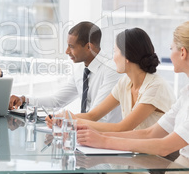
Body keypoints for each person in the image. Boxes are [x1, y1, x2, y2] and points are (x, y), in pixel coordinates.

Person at [77, 21, 189, 169]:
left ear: (182, 53)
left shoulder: (156, 86)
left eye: (171, 48)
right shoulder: (185, 94)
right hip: (156, 161)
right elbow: (149, 133)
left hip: (163, 162)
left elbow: (164, 146)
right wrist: (99, 136)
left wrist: (102, 139)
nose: (169, 53)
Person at [46, 28, 175, 132]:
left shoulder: (155, 87)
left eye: (115, 52)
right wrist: (63, 118)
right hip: (137, 153)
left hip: (162, 158)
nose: (113, 58)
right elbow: (92, 116)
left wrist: (72, 122)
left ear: (127, 57)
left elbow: (122, 128)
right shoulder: (125, 83)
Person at [9, 21, 122, 123]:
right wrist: (24, 99)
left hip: (104, 137)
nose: (67, 51)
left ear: (89, 47)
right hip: (84, 133)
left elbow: (95, 116)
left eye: (71, 47)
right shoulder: (81, 71)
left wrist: (62, 120)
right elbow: (56, 101)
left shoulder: (112, 70)